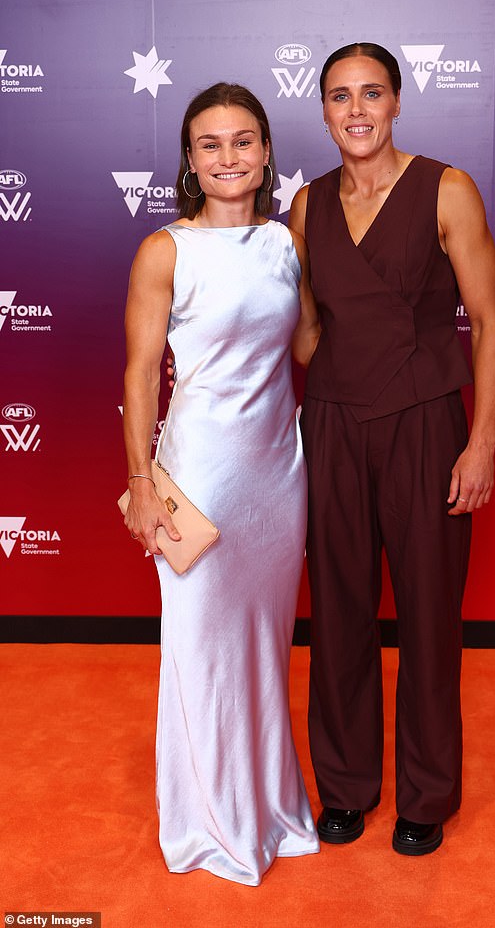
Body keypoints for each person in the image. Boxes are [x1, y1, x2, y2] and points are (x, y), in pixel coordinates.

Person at [288, 42, 495, 856]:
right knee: (339, 613)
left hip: (424, 424)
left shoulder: (447, 189)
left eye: (371, 93)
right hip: (335, 426)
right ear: (323, 111)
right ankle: (344, 788)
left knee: (425, 617)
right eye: (340, 96)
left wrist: (479, 443)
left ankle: (426, 794)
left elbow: (486, 325)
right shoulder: (306, 208)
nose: (356, 111)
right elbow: (311, 337)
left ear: (398, 101)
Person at [122, 82, 321, 886]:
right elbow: (139, 371)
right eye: (211, 144)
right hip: (199, 473)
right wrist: (141, 479)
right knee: (201, 648)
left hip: (277, 471)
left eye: (243, 141)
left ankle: (269, 806)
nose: (229, 157)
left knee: (266, 647)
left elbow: (309, 345)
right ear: (191, 160)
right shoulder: (165, 250)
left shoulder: (287, 243)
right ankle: (207, 821)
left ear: (267, 151)